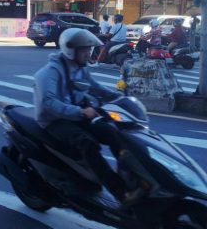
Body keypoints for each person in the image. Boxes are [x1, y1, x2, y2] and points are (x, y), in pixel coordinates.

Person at [34, 28, 145, 206]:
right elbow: (49, 103)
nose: (88, 54)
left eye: (89, 50)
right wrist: (80, 112)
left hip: (78, 114)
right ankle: (120, 192)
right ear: (71, 50)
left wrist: (120, 98)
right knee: (88, 144)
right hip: (54, 121)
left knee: (114, 133)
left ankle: (132, 177)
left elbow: (96, 88)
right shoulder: (50, 72)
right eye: (85, 50)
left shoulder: (80, 68)